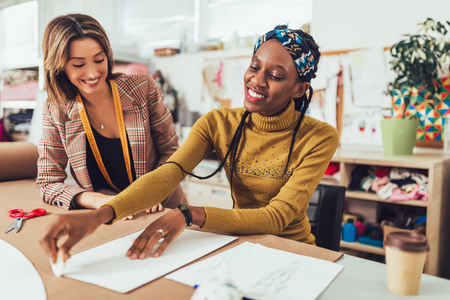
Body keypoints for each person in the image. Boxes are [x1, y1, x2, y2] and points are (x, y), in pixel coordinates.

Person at [40, 25, 339, 263]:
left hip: (297, 253)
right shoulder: (219, 122)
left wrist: (188, 214)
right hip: (244, 246)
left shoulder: (319, 137)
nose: (256, 81)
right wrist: (99, 216)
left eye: (274, 75)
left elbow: (276, 217)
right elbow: (169, 172)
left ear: (299, 88)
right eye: (254, 67)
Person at [36, 14, 186, 216]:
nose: (92, 73)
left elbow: (172, 151)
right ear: (59, 66)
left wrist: (151, 192)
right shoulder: (56, 109)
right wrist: (100, 201)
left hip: (163, 209)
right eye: (78, 65)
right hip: (110, 216)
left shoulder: (143, 88)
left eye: (99, 59)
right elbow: (48, 182)